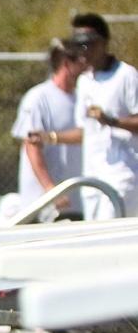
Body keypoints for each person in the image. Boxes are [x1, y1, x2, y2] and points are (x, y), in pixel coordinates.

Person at [29, 14, 138, 220]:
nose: (83, 52)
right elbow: (84, 132)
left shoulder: (126, 75)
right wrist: (50, 137)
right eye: (78, 46)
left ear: (104, 43)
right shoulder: (85, 81)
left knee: (110, 242)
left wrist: (113, 121)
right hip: (92, 179)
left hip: (122, 178)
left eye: (88, 44)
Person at [11, 39, 86, 218]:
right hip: (42, 207)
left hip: (76, 204)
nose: (86, 68)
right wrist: (51, 191)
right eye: (81, 63)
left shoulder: (82, 98)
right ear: (67, 64)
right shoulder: (38, 98)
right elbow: (32, 147)